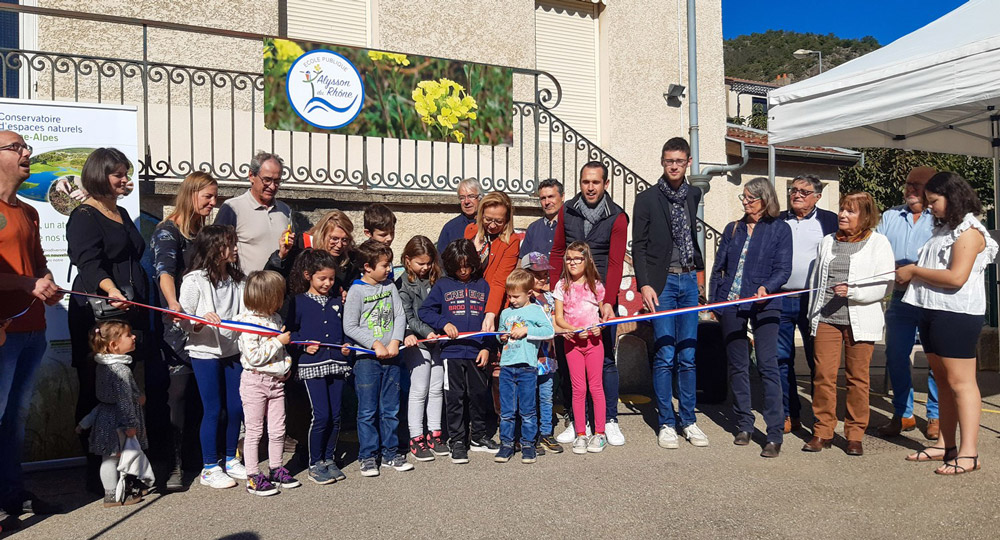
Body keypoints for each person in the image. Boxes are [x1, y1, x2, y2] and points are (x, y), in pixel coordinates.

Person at [896, 172, 998, 475]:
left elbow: (956, 277)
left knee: (960, 383)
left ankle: (970, 453)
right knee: (942, 382)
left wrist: (913, 271)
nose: (929, 208)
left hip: (956, 314)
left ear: (952, 197)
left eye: (934, 201)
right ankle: (945, 444)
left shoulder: (968, 231)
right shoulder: (944, 228)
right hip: (930, 309)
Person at [66, 147, 155, 495]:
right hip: (100, 313)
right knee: (97, 390)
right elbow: (88, 263)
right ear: (99, 175)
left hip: (127, 312)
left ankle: (125, 471)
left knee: (125, 392)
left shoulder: (119, 211)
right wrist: (111, 290)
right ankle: (96, 473)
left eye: (126, 173)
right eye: (118, 174)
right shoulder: (84, 215)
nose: (125, 180)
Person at [0, 131, 63, 526]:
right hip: (2, 333)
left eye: (27, 146)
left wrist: (47, 282)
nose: (28, 153)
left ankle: (11, 494)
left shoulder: (30, 211)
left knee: (15, 419)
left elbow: (39, 264)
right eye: (16, 147)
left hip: (33, 331)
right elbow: (21, 276)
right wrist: (25, 284)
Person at [804, 192, 894, 456]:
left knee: (857, 379)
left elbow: (885, 283)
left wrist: (853, 292)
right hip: (826, 319)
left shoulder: (878, 243)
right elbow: (815, 282)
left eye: (850, 211)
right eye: (842, 209)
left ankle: (854, 434)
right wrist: (813, 314)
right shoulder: (827, 241)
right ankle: (823, 431)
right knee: (823, 377)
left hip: (861, 320)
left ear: (865, 216)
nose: (842, 215)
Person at [631, 137, 708, 449]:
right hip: (662, 285)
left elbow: (692, 235)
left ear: (688, 162)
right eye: (668, 161)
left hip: (689, 282)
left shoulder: (693, 194)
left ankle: (688, 420)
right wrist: (645, 284)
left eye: (679, 161)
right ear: (662, 163)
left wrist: (700, 279)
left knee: (688, 356)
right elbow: (639, 246)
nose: (673, 166)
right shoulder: (647, 199)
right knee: (665, 354)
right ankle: (666, 421)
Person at [710, 177, 791, 458]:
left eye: (750, 198)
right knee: (738, 366)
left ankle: (774, 433)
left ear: (765, 200)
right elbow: (718, 267)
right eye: (743, 198)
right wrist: (716, 303)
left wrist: (766, 288)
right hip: (732, 304)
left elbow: (784, 268)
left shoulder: (780, 229)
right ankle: (744, 424)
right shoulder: (733, 229)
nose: (745, 202)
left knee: (768, 366)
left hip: (765, 305)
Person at [550, 161, 628, 446]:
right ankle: (575, 418)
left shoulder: (618, 217)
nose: (590, 187)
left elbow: (617, 261)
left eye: (596, 182)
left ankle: (608, 421)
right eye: (585, 182)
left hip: (600, 299)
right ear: (580, 183)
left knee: (605, 361)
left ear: (605, 184)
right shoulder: (566, 210)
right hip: (568, 299)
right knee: (570, 362)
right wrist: (554, 290)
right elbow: (558, 250)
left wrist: (608, 301)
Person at [150, 170, 218, 490]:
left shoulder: (201, 231)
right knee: (176, 393)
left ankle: (195, 457)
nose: (213, 202)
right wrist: (173, 303)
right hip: (177, 323)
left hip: (203, 322)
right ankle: (173, 465)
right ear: (191, 195)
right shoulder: (168, 232)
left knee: (198, 393)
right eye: (207, 197)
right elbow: (164, 271)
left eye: (214, 197)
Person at [178, 225, 246, 489]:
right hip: (205, 353)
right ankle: (209, 466)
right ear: (215, 248)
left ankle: (231, 458)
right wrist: (198, 322)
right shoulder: (194, 280)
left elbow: (245, 311)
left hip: (233, 351)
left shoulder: (238, 279)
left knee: (236, 407)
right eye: (230, 244)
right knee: (213, 409)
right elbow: (183, 319)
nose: (235, 249)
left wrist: (241, 323)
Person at [875, 167, 940, 439]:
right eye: (908, 184)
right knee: (895, 355)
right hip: (900, 297)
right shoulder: (891, 216)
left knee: (936, 358)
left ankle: (936, 416)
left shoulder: (941, 218)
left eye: (918, 186)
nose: (911, 190)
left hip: (932, 297)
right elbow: (875, 250)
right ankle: (903, 414)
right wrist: (892, 272)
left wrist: (914, 271)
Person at [418, 239, 493, 464]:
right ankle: (457, 441)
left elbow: (492, 321)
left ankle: (479, 437)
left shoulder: (483, 285)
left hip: (478, 351)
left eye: (467, 265)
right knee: (455, 398)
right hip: (452, 352)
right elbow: (425, 311)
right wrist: (443, 323)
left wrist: (488, 347)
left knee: (479, 396)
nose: (463, 270)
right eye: (458, 266)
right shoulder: (442, 285)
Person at [343, 239, 412, 477]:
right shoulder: (356, 290)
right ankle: (368, 456)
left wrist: (394, 341)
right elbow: (350, 326)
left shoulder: (390, 287)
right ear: (367, 267)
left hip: (392, 357)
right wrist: (374, 344)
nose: (389, 269)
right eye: (384, 265)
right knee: (367, 411)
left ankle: (390, 453)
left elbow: (399, 316)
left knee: (390, 409)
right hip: (367, 360)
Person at [777, 174, 838, 433]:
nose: (797, 194)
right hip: (779, 299)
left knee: (818, 362)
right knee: (782, 359)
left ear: (817, 196)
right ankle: (789, 413)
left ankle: (820, 419)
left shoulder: (829, 221)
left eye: (803, 191)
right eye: (793, 190)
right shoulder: (777, 220)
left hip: (813, 302)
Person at [287, 249, 352, 485]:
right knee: (321, 414)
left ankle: (329, 458)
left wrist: (347, 346)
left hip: (337, 363)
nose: (327, 283)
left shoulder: (338, 301)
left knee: (335, 416)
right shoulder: (298, 302)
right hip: (312, 365)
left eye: (331, 279)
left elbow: (345, 329)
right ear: (308, 276)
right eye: (322, 278)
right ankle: (315, 462)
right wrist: (303, 346)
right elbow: (288, 333)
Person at [234, 270, 299, 496]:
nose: (281, 300)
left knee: (278, 429)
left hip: (276, 383)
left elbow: (280, 354)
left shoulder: (275, 319)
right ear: (267, 297)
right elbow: (255, 357)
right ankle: (252, 475)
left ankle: (276, 467)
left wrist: (286, 366)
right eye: (278, 295)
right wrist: (278, 342)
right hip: (255, 382)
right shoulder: (248, 323)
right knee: (254, 431)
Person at [84, 320, 149, 507]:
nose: (134, 336)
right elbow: (123, 399)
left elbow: (105, 396)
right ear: (113, 345)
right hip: (119, 421)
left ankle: (110, 494)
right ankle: (124, 493)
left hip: (105, 418)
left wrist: (86, 422)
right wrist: (130, 424)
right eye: (128, 335)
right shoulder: (121, 370)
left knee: (109, 458)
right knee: (123, 459)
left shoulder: (101, 366)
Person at [554, 242, 609, 455]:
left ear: (587, 260)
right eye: (569, 259)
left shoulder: (596, 285)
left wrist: (599, 329)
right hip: (572, 345)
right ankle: (580, 433)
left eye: (577, 258)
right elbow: (559, 318)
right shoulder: (561, 286)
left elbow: (603, 317)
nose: (573, 263)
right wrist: (574, 329)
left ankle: (600, 432)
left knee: (596, 387)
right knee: (578, 389)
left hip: (594, 345)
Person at [396, 236, 448, 462]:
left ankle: (434, 433)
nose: (425, 268)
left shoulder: (438, 278)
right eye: (420, 263)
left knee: (436, 387)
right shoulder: (403, 283)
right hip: (415, 339)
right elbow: (407, 314)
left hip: (438, 338)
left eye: (429, 263)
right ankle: (415, 435)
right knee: (419, 388)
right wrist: (426, 332)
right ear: (408, 261)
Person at [495, 269, 555, 464]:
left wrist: (527, 330)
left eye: (516, 296)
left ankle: (528, 444)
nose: (512, 300)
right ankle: (506, 444)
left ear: (529, 293)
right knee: (507, 410)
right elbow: (500, 333)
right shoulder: (505, 313)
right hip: (507, 366)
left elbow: (549, 331)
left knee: (528, 409)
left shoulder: (535, 310)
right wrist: (501, 336)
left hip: (527, 367)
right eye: (509, 296)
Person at [214, 151, 291, 273]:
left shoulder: (285, 210)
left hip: (278, 288)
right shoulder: (232, 208)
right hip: (245, 288)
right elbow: (216, 251)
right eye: (267, 180)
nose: (272, 186)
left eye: (277, 181)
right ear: (251, 176)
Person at [522, 252, 564, 454]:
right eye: (537, 274)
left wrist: (576, 329)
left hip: (547, 358)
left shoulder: (549, 297)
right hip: (528, 357)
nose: (543, 278)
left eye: (545, 274)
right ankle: (529, 435)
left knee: (546, 396)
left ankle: (546, 432)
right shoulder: (522, 300)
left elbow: (556, 324)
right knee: (528, 397)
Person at [465, 191, 521, 333]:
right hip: (467, 299)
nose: (492, 225)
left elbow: (499, 281)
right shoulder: (470, 232)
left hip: (492, 301)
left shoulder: (511, 241)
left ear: (507, 219)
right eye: (488, 219)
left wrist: (490, 314)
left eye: (499, 221)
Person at [267, 209, 360, 296]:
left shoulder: (349, 257)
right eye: (334, 239)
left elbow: (352, 286)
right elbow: (268, 280)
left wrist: (347, 295)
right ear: (321, 234)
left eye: (344, 240)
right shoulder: (299, 246)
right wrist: (281, 256)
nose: (339, 245)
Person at [519, 178, 564, 257]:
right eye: (543, 198)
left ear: (562, 197)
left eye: (551, 197)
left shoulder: (571, 225)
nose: (547, 202)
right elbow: (522, 259)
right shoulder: (533, 228)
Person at [437, 178, 482, 253]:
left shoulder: (490, 224)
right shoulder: (451, 228)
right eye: (462, 198)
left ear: (480, 198)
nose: (466, 201)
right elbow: (441, 259)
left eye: (471, 196)